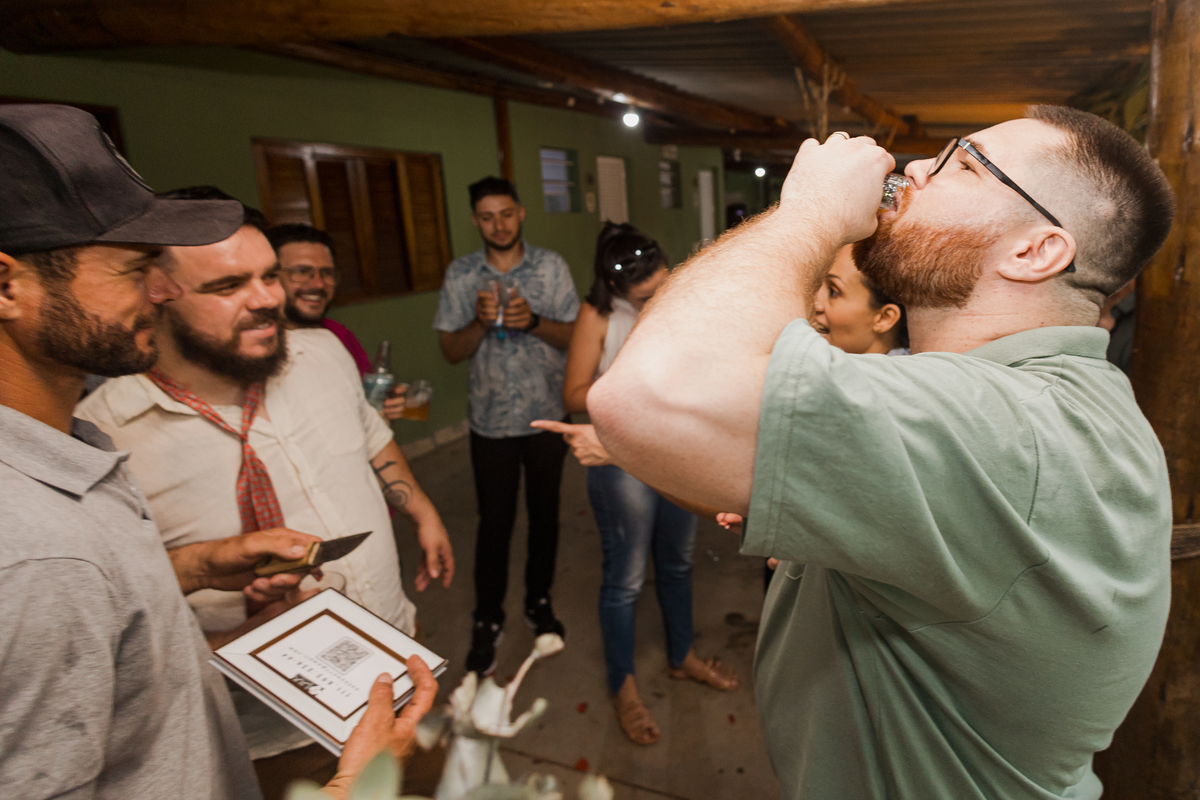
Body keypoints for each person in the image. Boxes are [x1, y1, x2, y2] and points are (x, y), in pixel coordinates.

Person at [588, 107, 1175, 800]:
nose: (913, 169)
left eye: (962, 164)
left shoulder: (1003, 428)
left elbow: (644, 396)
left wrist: (808, 213)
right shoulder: (1041, 402)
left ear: (1034, 250)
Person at [0, 103, 434, 800]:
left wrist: (198, 565)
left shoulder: (69, 458)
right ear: (6, 285)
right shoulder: (32, 551)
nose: (159, 292)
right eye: (132, 269)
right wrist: (353, 786)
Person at [77, 217, 454, 798]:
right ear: (156, 294)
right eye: (228, 287)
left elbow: (371, 434)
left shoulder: (323, 352)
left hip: (400, 673)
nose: (268, 299)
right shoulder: (104, 436)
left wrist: (422, 509)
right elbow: (109, 613)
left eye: (270, 276)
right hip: (275, 737)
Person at [533, 223, 736, 746]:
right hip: (617, 457)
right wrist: (638, 370)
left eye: (661, 284)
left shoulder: (680, 301)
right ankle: (622, 684)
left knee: (678, 562)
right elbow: (575, 394)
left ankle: (681, 655)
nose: (656, 297)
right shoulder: (598, 315)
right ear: (617, 289)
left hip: (676, 453)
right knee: (624, 579)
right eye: (644, 294)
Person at [434, 176, 579, 676]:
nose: (498, 224)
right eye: (487, 216)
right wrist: (478, 323)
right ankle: (486, 620)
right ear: (476, 220)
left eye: (506, 214)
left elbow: (575, 337)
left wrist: (532, 322)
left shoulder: (551, 267)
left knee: (545, 518)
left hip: (545, 417)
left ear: (520, 214)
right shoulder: (461, 275)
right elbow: (451, 352)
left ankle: (539, 604)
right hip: (490, 424)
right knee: (494, 525)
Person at [263, 223, 409, 420]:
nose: (318, 283)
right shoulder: (256, 347)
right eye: (301, 271)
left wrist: (386, 406)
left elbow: (366, 409)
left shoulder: (338, 335)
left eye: (326, 273)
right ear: (269, 276)